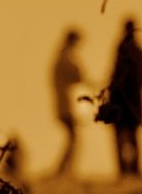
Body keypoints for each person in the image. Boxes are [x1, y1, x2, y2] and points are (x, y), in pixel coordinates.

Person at [109, 18, 142, 177]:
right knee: (132, 136)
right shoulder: (139, 51)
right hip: (134, 99)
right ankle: (133, 169)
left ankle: (125, 169)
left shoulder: (122, 49)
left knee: (122, 136)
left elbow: (115, 75)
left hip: (121, 99)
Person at [52, 29, 83, 176]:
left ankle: (64, 169)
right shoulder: (65, 58)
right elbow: (78, 75)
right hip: (66, 105)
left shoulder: (61, 56)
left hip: (65, 104)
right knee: (74, 138)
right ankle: (63, 170)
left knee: (73, 138)